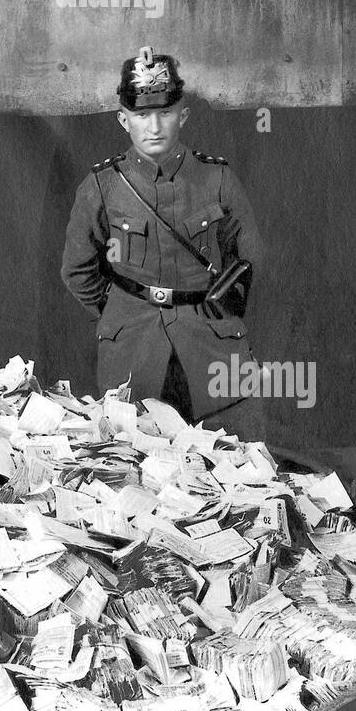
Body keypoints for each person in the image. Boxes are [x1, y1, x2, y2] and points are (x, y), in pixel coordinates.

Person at [60, 47, 264, 434]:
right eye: (141, 115)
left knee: (233, 462)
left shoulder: (217, 179)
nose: (154, 126)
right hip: (132, 349)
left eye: (165, 113)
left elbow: (249, 257)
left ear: (182, 115)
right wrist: (120, 310)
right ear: (124, 120)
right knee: (136, 463)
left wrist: (224, 300)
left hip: (210, 343)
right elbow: (77, 270)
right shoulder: (102, 187)